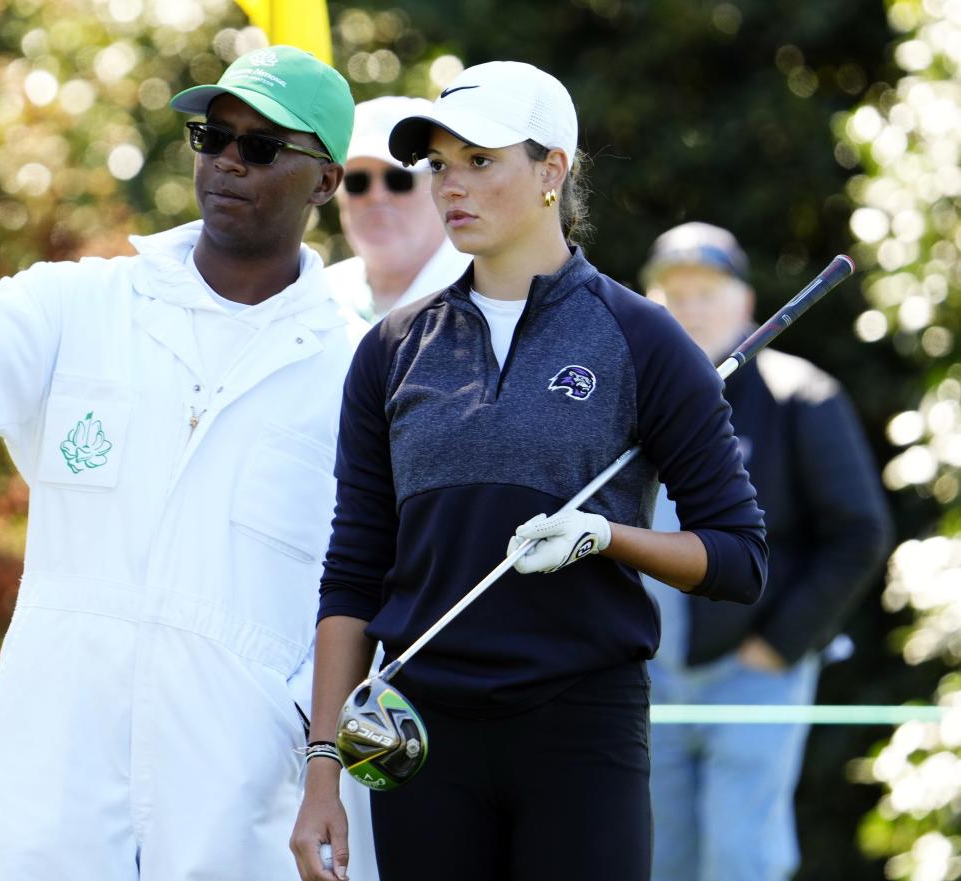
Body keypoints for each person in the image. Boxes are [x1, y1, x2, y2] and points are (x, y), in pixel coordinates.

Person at [0, 46, 363, 881]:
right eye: (213, 136)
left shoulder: (356, 366)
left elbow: (355, 590)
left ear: (326, 182)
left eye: (264, 147)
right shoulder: (80, 302)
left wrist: (318, 758)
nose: (228, 161)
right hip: (56, 784)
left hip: (239, 804)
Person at [289, 61, 769, 881]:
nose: (451, 187)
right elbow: (354, 568)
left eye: (480, 160)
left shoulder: (644, 341)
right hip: (423, 734)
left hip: (581, 729)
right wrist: (323, 764)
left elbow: (739, 558)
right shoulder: (391, 351)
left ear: (552, 170)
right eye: (439, 164)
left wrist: (607, 537)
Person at [640, 222, 892, 881]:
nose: (689, 306)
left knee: (738, 856)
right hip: (651, 676)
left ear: (746, 301)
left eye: (707, 290)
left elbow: (858, 532)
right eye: (674, 292)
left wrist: (778, 645)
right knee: (658, 857)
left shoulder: (801, 396)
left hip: (753, 670)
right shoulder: (634, 395)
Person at [325, 96, 470, 322]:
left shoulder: (490, 294)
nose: (376, 196)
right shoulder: (319, 296)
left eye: (399, 179)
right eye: (357, 181)